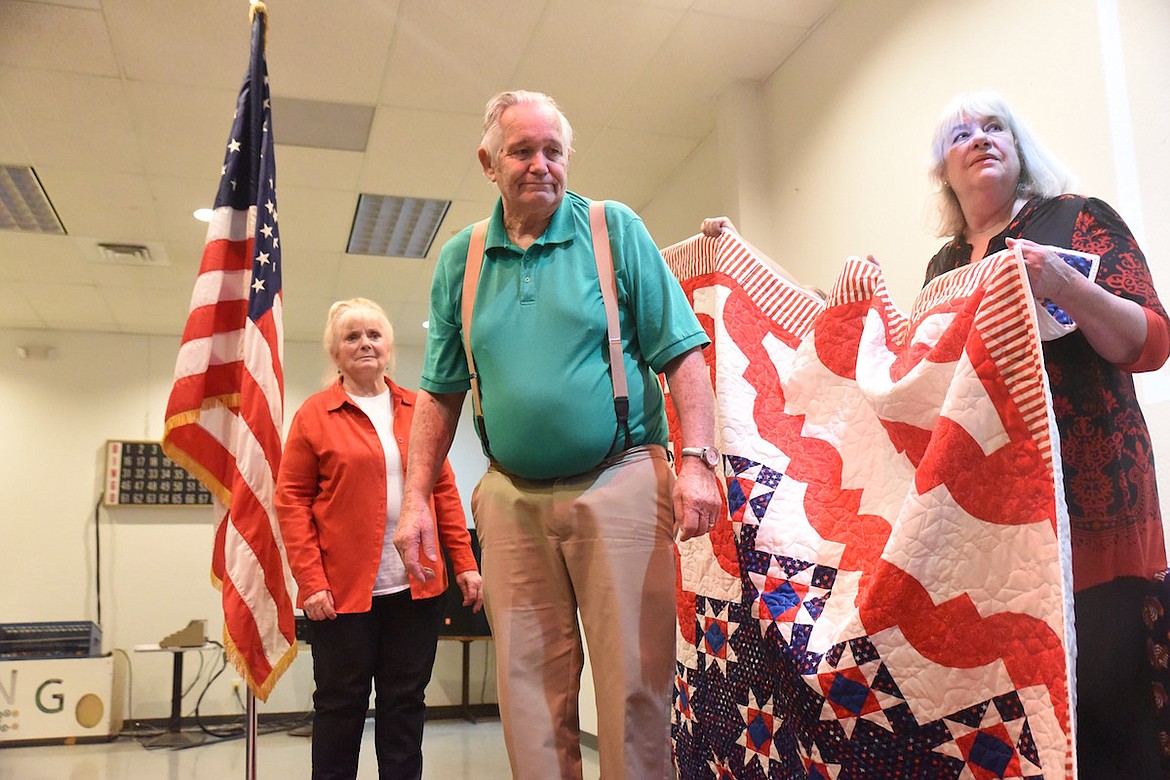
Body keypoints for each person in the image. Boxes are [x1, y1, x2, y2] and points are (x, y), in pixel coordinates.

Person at [393, 90, 723, 780]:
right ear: (489, 163)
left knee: (635, 690)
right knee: (529, 702)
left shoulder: (613, 230)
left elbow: (684, 355)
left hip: (623, 480)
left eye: (554, 151)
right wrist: (416, 497)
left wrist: (699, 462)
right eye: (522, 151)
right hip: (511, 500)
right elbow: (440, 389)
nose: (540, 165)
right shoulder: (463, 259)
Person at [922, 91, 1169, 779]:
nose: (980, 139)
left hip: (1093, 512)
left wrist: (1066, 283)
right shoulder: (941, 273)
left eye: (994, 126)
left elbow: (1150, 341)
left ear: (1019, 143)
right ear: (943, 169)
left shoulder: (1077, 218)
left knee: (1120, 717)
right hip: (993, 529)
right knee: (1029, 730)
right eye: (960, 134)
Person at [275, 298, 483, 780]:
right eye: (352, 337)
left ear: (389, 347)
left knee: (405, 704)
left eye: (373, 335)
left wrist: (466, 563)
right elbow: (292, 502)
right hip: (341, 594)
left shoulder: (420, 408)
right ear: (335, 352)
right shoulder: (313, 415)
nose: (364, 344)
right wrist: (310, 581)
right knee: (339, 706)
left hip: (416, 588)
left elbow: (443, 492)